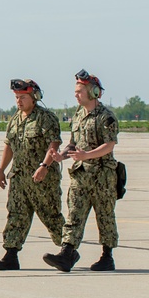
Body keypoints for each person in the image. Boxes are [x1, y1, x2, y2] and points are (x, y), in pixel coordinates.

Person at [43, 69, 119, 272]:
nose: (76, 95)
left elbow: (110, 145)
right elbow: (73, 144)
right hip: (81, 175)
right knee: (74, 215)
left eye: (79, 91)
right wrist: (62, 155)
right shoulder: (77, 116)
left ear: (93, 92)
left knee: (105, 216)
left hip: (102, 175)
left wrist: (87, 155)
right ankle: (67, 253)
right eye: (75, 91)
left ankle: (107, 256)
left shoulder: (106, 117)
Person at [0, 79, 65, 270]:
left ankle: (68, 249)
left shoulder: (45, 118)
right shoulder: (16, 118)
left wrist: (44, 166)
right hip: (19, 178)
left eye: (22, 97)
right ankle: (11, 254)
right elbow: (9, 145)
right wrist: (1, 169)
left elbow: (53, 144)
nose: (19, 101)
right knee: (16, 215)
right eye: (17, 97)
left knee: (51, 216)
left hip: (42, 179)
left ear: (34, 97)